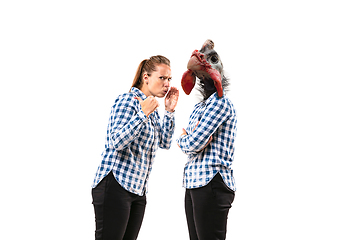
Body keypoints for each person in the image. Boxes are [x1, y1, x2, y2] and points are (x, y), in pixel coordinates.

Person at [91, 55, 179, 240]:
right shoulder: (128, 101)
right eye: (162, 78)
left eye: (169, 79)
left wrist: (169, 111)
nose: (167, 84)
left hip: (138, 191)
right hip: (115, 185)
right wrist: (142, 114)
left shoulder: (152, 107)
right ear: (146, 77)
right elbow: (117, 142)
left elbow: (165, 143)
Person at [177, 90, 237, 240]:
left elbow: (193, 143)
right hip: (192, 182)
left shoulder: (220, 102)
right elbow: (194, 141)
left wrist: (184, 138)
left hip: (211, 181)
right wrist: (190, 138)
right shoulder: (199, 106)